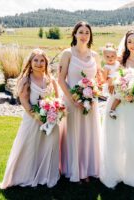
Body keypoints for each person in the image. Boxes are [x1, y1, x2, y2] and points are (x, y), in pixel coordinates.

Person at [100, 30, 134, 188]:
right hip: (117, 102)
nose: (133, 44)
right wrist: (111, 83)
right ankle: (116, 171)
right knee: (116, 137)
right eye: (130, 41)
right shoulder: (120, 61)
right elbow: (111, 79)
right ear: (126, 44)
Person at [0, 49, 60, 189]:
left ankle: (46, 174)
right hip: (32, 122)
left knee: (49, 147)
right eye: (36, 60)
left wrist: (53, 117)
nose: (39, 63)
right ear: (30, 63)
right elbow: (26, 105)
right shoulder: (25, 81)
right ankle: (25, 175)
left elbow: (57, 101)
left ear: (46, 63)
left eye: (42, 60)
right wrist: (41, 122)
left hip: (51, 121)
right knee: (30, 148)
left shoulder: (51, 80)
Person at [58, 21, 102, 183]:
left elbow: (99, 79)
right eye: (81, 32)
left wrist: (94, 90)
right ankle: (74, 169)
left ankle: (89, 169)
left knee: (89, 133)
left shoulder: (95, 56)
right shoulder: (67, 54)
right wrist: (73, 99)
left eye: (87, 33)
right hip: (72, 101)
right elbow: (61, 80)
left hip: (90, 102)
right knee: (74, 133)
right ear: (75, 34)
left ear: (90, 36)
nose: (84, 35)